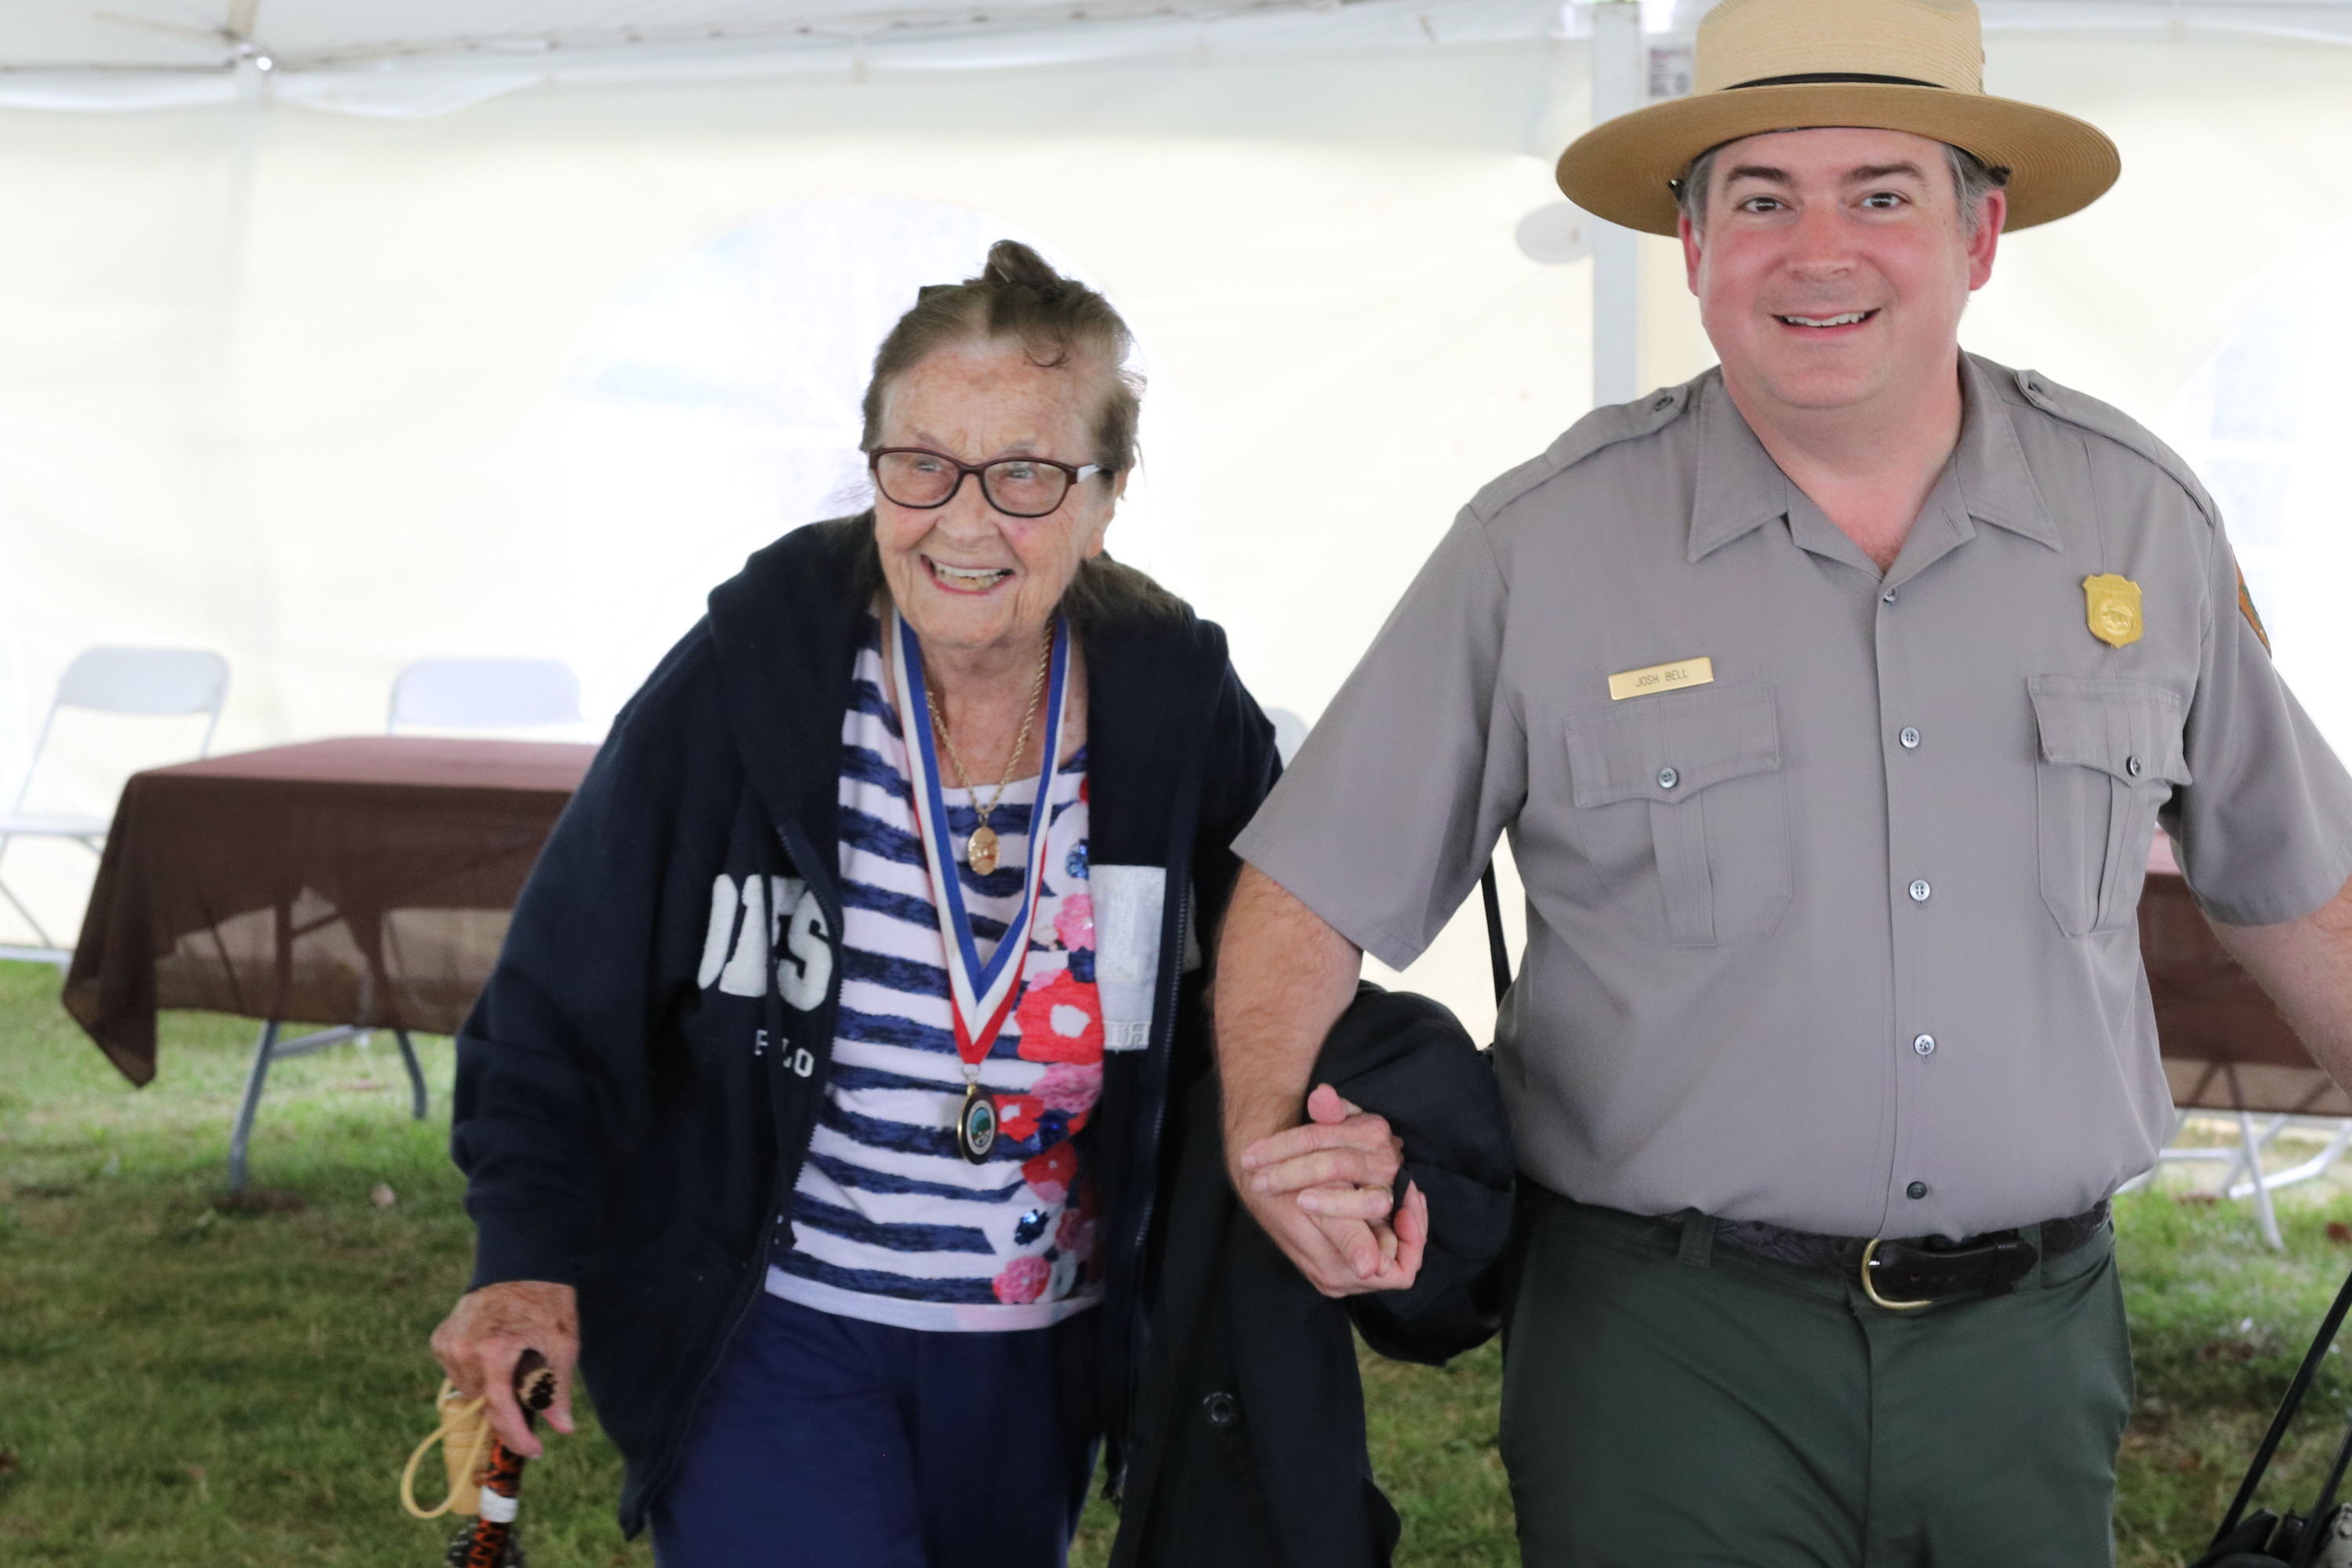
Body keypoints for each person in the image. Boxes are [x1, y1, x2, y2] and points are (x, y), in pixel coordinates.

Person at [1214, 0, 2352, 1561]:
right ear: (1692, 247)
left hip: (2026, 1357)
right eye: (1761, 198)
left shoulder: (2139, 520)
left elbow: (2303, 888)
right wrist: (1274, 1141)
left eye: (1882, 192)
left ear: (1983, 233)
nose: (1819, 250)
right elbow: (1306, 884)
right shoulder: (1541, 546)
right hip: (1669, 1359)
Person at [428, 241, 1281, 1566]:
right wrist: (523, 1253)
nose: (963, 519)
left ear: (1108, 497)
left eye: (1028, 475)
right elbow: (559, 992)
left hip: (1040, 1350)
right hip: (775, 1327)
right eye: (922, 462)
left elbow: (1270, 990)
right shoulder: (747, 678)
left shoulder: (1182, 712)